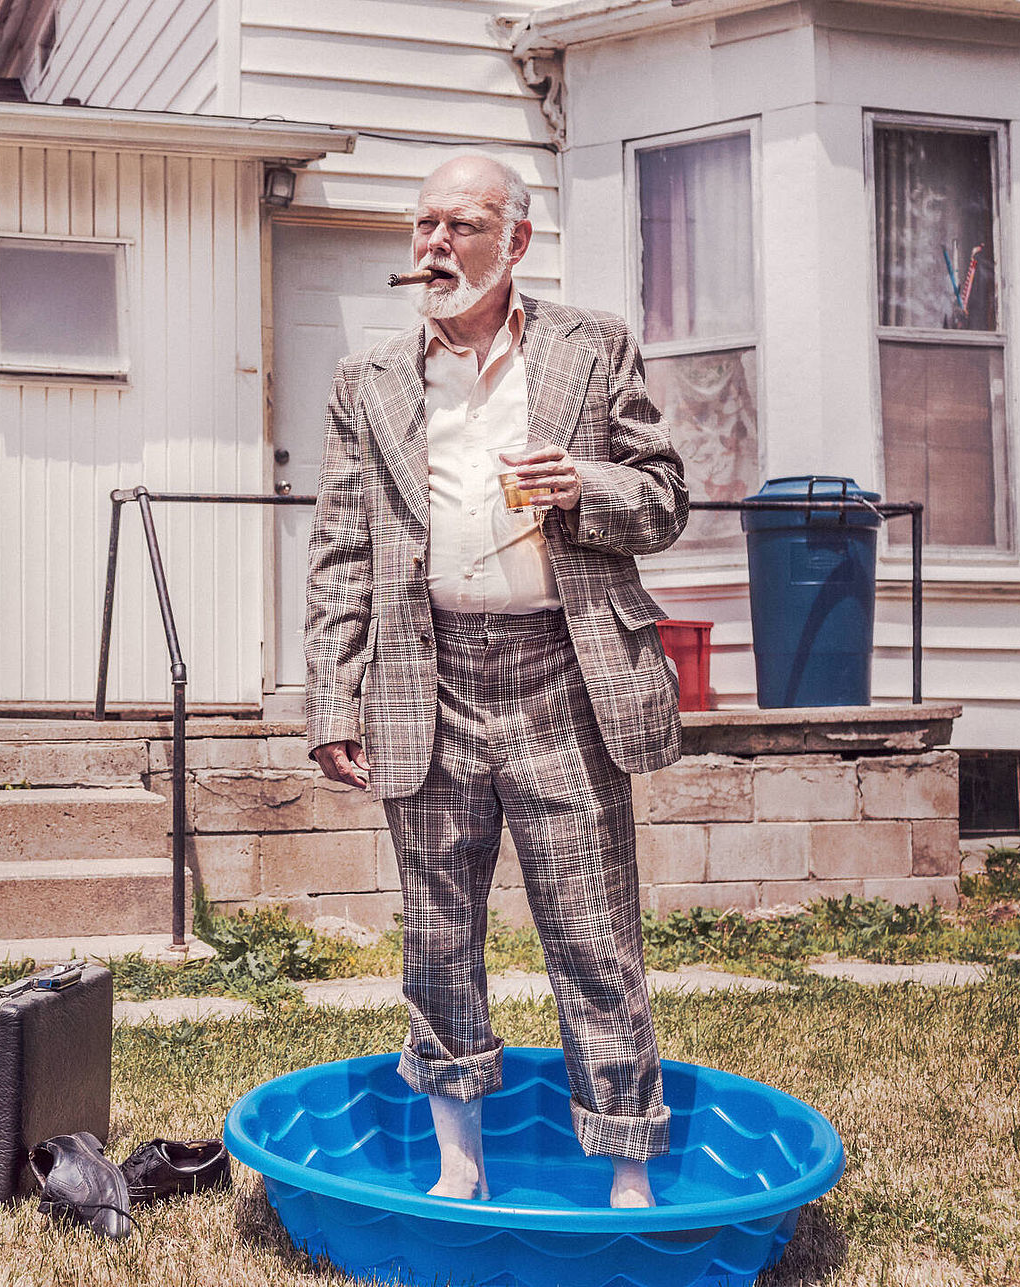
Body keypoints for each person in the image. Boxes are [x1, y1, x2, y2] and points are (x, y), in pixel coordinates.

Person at [302, 154, 688, 1209]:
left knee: (595, 932)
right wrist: (332, 699)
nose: (434, 244)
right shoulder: (368, 382)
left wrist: (587, 486)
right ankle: (459, 1165)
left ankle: (626, 1173)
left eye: (461, 225)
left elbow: (663, 500)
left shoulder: (590, 348)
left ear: (515, 242)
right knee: (436, 938)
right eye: (422, 226)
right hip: (426, 680)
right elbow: (341, 549)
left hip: (562, 672)